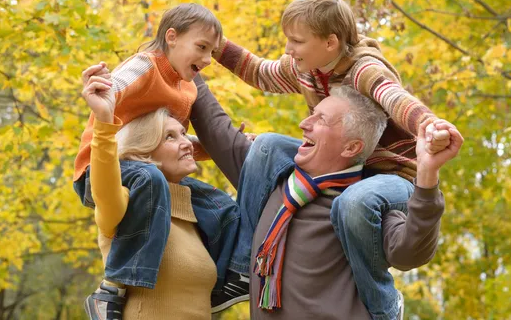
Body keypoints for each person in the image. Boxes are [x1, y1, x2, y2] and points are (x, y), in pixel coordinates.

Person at [212, 0, 458, 319]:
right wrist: (215, 45)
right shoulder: (306, 67)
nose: (289, 49)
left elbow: (393, 97)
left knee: (355, 203)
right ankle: (243, 268)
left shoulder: (363, 69)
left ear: (330, 42)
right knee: (268, 145)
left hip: (391, 177)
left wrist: (427, 124)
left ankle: (384, 305)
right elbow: (260, 72)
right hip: (346, 163)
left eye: (297, 41)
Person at [189, 75, 463, 319]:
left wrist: (427, 173)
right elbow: (215, 128)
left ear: (351, 146)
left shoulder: (364, 205)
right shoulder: (269, 180)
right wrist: (185, 65)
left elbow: (409, 253)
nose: (303, 124)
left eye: (320, 120)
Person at [73, 4, 246, 320]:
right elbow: (119, 85)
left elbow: (166, 145)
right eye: (202, 47)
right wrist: (104, 98)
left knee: (223, 206)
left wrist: (229, 143)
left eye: (213, 51)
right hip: (104, 167)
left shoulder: (187, 89)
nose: (208, 60)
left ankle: (229, 279)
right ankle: (113, 289)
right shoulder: (146, 66)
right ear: (172, 37)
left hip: (145, 171)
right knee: (150, 178)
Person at [80, 67, 218, 319]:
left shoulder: (201, 215)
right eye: (170, 137)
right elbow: (104, 184)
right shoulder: (128, 207)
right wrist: (103, 119)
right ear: (143, 153)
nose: (187, 143)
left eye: (184, 134)